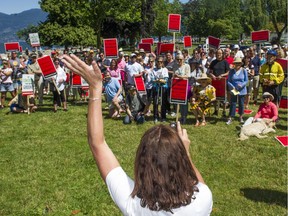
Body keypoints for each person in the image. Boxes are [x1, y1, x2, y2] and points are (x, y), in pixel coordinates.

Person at [61, 53, 213, 215]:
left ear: (142, 161)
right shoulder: (203, 199)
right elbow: (199, 184)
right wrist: (186, 154)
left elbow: (97, 144)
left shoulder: (134, 204)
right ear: (179, 159)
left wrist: (95, 88)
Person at [226, 57, 248, 125]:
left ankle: (241, 117)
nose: (237, 65)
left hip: (242, 89)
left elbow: (246, 80)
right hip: (234, 89)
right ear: (234, 64)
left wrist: (242, 85)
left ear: (241, 64)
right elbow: (228, 81)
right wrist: (232, 86)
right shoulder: (231, 71)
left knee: (241, 104)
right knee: (233, 103)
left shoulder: (244, 70)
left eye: (239, 63)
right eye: (236, 63)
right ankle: (230, 117)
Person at [174, 54, 191, 124]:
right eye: (177, 59)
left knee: (185, 102)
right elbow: (174, 76)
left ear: (183, 59)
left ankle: (184, 116)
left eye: (180, 59)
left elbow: (187, 76)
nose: (179, 61)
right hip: (177, 86)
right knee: (179, 102)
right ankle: (181, 116)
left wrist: (179, 76)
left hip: (184, 86)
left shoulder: (187, 66)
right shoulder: (175, 66)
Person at [152, 56, 169, 123]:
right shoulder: (154, 70)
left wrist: (160, 81)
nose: (159, 63)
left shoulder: (165, 69)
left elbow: (166, 80)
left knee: (163, 102)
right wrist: (158, 81)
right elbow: (153, 79)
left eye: (161, 62)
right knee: (155, 102)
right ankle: (155, 116)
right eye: (158, 61)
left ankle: (163, 117)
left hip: (163, 87)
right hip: (156, 87)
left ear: (162, 63)